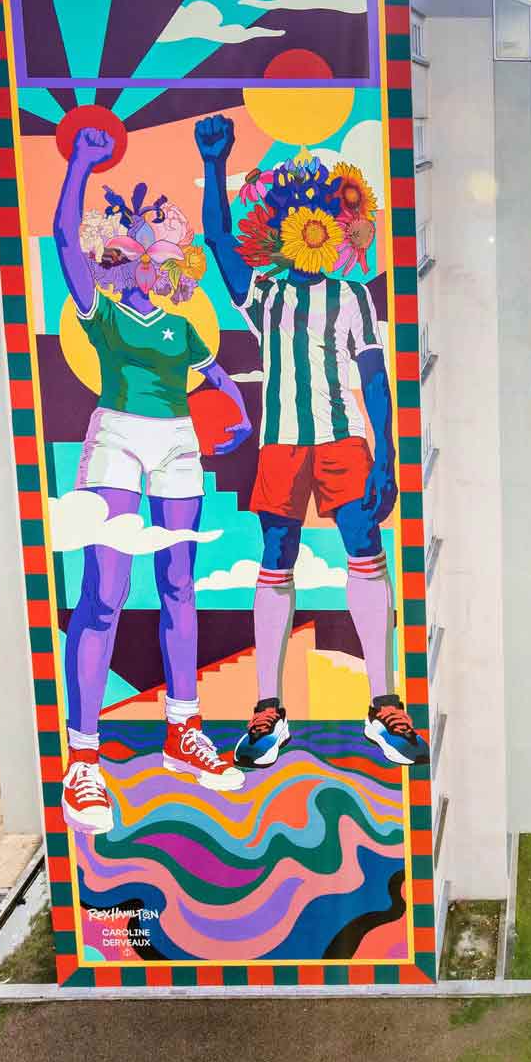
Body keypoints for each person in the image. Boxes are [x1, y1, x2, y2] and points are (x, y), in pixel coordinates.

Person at [196, 114, 425, 768]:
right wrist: (216, 162)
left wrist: (385, 454)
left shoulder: (353, 296)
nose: (306, 225)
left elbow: (375, 380)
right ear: (277, 229)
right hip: (283, 445)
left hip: (342, 444)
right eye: (295, 213)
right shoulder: (261, 293)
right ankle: (268, 709)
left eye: (318, 213)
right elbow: (216, 237)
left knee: (364, 551)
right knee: (276, 558)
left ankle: (383, 703)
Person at [51, 120, 253, 831]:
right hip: (116, 440)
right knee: (103, 591)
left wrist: (235, 409)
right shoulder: (98, 309)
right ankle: (82, 758)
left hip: (177, 445)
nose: (152, 249)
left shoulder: (183, 326)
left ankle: (182, 730)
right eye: (143, 234)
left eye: (161, 230)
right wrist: (79, 162)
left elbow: (215, 374)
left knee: (178, 586)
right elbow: (63, 242)